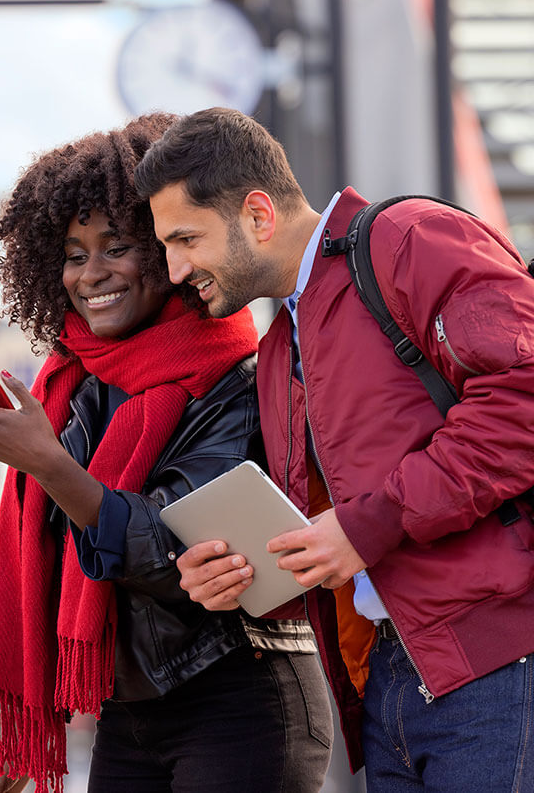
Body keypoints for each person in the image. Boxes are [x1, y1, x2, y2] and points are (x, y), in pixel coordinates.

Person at [134, 106, 534, 793]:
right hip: (387, 683)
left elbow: (524, 397)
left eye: (185, 239)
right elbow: (336, 539)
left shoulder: (408, 240)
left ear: (258, 214)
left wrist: (367, 525)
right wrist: (243, 577)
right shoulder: (280, 348)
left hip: (497, 667)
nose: (174, 270)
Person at [0, 115, 334, 793]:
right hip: (127, 717)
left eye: (115, 247)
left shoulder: (236, 379)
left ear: (167, 253)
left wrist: (48, 463)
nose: (91, 273)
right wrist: (27, 742)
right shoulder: (71, 386)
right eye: (73, 254)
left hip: (239, 701)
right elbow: (63, 569)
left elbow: (170, 555)